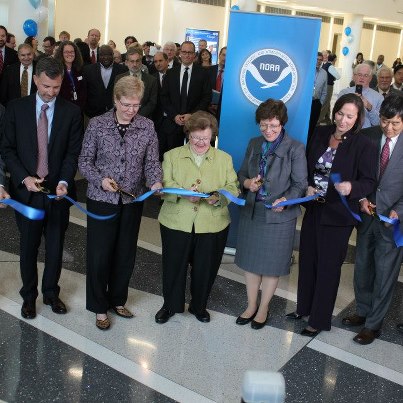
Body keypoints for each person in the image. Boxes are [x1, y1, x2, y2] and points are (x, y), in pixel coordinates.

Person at [287, 94, 377, 336]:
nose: (343, 120)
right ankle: (303, 308)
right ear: (334, 111)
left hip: (338, 215)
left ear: (358, 119)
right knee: (308, 260)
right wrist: (307, 185)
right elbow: (306, 165)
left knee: (328, 267)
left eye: (350, 116)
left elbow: (369, 181)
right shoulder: (320, 132)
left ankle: (318, 319)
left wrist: (351, 188)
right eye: (340, 113)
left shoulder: (364, 144)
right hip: (314, 206)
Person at [1, 57, 82, 319]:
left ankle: (51, 293)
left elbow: (72, 154)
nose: (50, 93)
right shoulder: (16, 109)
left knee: (56, 246)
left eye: (56, 87)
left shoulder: (72, 112)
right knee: (28, 246)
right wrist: (23, 177)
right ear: (36, 79)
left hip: (57, 193)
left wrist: (64, 182)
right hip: (26, 192)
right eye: (46, 86)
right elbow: (7, 149)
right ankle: (29, 296)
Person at [79, 76, 162, 330]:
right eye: (126, 104)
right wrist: (100, 180)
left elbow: (151, 162)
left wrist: (155, 182)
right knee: (99, 254)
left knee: (125, 253)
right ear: (115, 100)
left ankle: (117, 299)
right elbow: (84, 162)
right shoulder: (97, 124)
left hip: (132, 200)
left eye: (136, 105)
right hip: (102, 200)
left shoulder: (147, 126)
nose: (131, 110)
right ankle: (98, 307)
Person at [155, 111, 239, 324]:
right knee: (174, 266)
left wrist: (219, 197)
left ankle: (199, 306)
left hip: (212, 224)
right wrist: (185, 193)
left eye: (205, 138)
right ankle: (170, 305)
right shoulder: (171, 155)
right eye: (195, 137)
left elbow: (233, 187)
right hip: (176, 221)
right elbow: (165, 184)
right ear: (188, 134)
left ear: (213, 136)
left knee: (205, 268)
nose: (201, 142)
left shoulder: (224, 159)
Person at [235, 99, 307, 329]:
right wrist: (247, 183)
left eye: (273, 126)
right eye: (264, 125)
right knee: (251, 263)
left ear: (282, 123)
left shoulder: (295, 148)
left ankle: (263, 307)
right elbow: (241, 173)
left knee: (271, 266)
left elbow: (300, 184)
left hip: (279, 216)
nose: (268, 130)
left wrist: (286, 200)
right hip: (253, 212)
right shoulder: (254, 143)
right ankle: (250, 304)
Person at [342, 94, 403, 345]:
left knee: (385, 273)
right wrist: (361, 199)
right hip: (366, 215)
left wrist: (399, 210)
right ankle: (363, 311)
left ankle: (373, 325)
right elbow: (356, 174)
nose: (389, 128)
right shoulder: (367, 138)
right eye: (385, 121)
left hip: (393, 221)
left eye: (395, 124)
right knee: (363, 268)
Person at [160, 41, 211, 154]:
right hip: (173, 123)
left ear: (194, 55)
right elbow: (164, 97)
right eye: (184, 52)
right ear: (180, 54)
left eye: (190, 52)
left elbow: (206, 97)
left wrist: (192, 115)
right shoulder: (170, 73)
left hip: (195, 124)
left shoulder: (203, 73)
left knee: (195, 156)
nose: (187, 55)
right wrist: (174, 116)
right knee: (173, 157)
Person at [338, 63, 384, 128]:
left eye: (366, 75)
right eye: (359, 74)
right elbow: (337, 116)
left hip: (366, 134)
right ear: (354, 76)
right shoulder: (344, 93)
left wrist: (369, 107)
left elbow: (378, 123)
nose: (362, 78)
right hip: (345, 130)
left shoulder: (378, 97)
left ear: (370, 78)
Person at [54, 40, 87, 111]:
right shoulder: (56, 71)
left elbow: (83, 90)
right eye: (66, 52)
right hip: (62, 109)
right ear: (61, 54)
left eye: (72, 52)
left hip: (78, 109)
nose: (70, 54)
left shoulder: (80, 69)